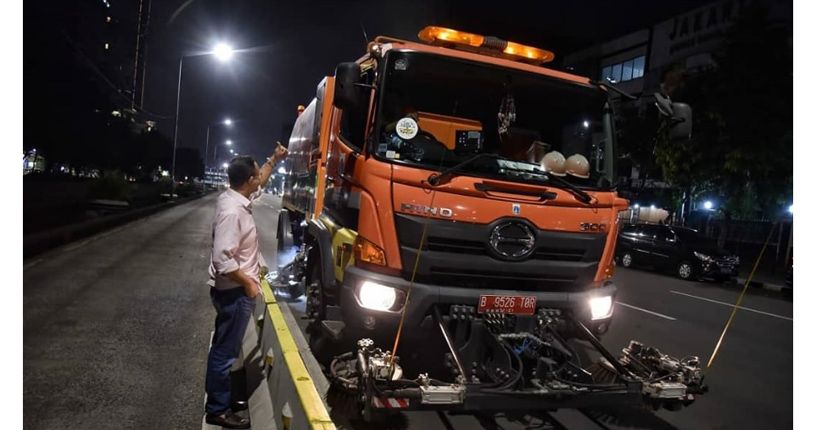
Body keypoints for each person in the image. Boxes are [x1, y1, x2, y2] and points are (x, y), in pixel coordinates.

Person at [204, 143, 288, 429]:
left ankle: (223, 397)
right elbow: (222, 261)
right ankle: (217, 409)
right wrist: (249, 284)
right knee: (224, 352)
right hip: (234, 293)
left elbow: (262, 178)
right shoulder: (232, 213)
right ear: (247, 181)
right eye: (256, 177)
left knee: (226, 347)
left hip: (234, 291)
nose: (259, 180)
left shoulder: (237, 198)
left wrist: (273, 159)